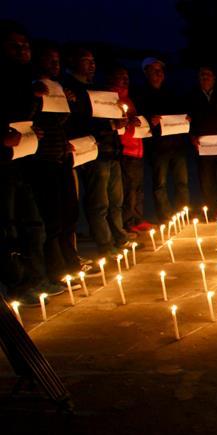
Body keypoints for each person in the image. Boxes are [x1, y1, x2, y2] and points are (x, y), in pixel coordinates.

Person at [0, 21, 62, 301]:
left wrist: (31, 131)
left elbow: (23, 118)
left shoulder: (25, 81)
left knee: (34, 223)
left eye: (26, 46)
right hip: (4, 166)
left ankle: (38, 278)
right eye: (16, 45)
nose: (23, 50)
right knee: (9, 228)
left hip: (24, 163)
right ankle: (19, 285)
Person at [28, 43, 82, 282]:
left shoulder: (58, 87)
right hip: (43, 159)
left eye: (58, 61)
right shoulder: (31, 88)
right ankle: (56, 269)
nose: (55, 65)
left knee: (69, 213)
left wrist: (67, 103)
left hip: (61, 156)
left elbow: (60, 122)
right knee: (52, 217)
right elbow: (30, 119)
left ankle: (71, 262)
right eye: (50, 60)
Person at [82, 66, 131, 258]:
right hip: (97, 153)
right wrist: (111, 125)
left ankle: (119, 237)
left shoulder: (111, 99)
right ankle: (105, 243)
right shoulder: (92, 98)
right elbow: (86, 124)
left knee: (116, 200)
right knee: (100, 202)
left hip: (113, 152)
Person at [134, 57, 189, 222]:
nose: (159, 74)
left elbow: (181, 111)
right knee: (160, 184)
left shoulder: (171, 92)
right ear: (146, 72)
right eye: (154, 70)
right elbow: (138, 118)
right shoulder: (141, 94)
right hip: (157, 148)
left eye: (161, 70)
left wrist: (186, 118)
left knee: (182, 182)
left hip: (177, 144)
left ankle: (183, 214)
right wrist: (150, 118)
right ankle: (165, 217)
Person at [111, 65, 150, 233]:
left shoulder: (129, 98)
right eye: (121, 76)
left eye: (127, 76)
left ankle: (137, 218)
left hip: (137, 147)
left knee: (137, 188)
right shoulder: (112, 99)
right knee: (129, 189)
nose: (125, 79)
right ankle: (128, 222)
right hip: (125, 149)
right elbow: (115, 126)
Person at [188, 66, 217, 211]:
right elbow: (187, 120)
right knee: (207, 182)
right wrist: (192, 136)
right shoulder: (191, 96)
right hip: (203, 147)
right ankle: (214, 213)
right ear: (198, 78)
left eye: (208, 75)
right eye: (202, 75)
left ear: (214, 78)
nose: (205, 77)